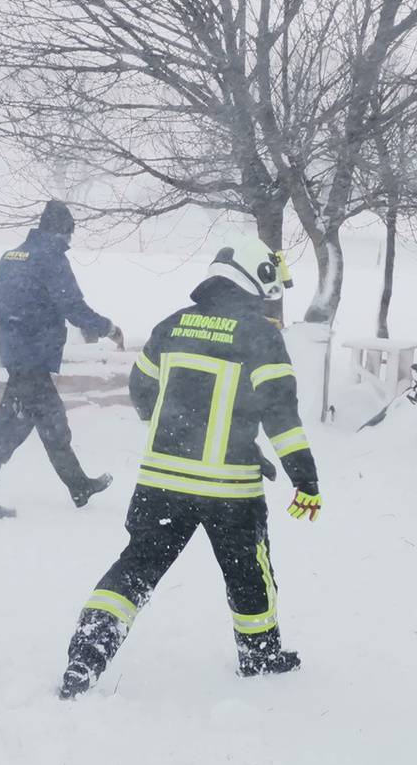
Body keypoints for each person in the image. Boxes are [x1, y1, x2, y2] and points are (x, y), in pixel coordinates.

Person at [57, 235, 322, 699]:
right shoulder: (261, 336)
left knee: (135, 567)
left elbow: (141, 390)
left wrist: (180, 435)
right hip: (230, 493)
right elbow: (281, 414)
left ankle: (86, 655)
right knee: (247, 573)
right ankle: (260, 655)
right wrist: (306, 478)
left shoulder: (171, 327)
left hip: (161, 484)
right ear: (256, 279)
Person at [0, 200, 122, 519]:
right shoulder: (52, 259)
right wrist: (108, 328)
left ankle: (79, 486)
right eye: (69, 235)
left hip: (19, 356)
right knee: (9, 429)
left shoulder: (11, 257)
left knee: (53, 423)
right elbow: (73, 307)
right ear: (61, 231)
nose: (69, 242)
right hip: (33, 358)